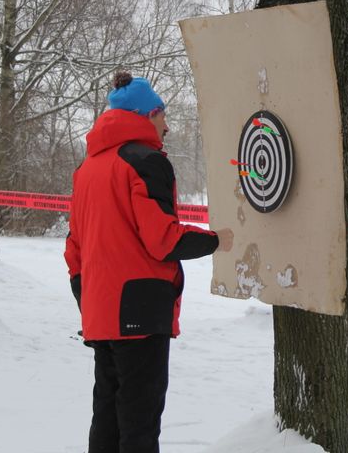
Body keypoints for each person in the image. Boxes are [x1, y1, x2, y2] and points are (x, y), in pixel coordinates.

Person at [64, 71, 234, 453]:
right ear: (147, 114)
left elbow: (73, 249)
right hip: (139, 313)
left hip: (100, 313)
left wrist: (89, 296)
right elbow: (162, 239)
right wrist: (217, 240)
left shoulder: (87, 169)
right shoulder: (146, 162)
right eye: (162, 115)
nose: (167, 125)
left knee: (106, 418)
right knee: (139, 425)